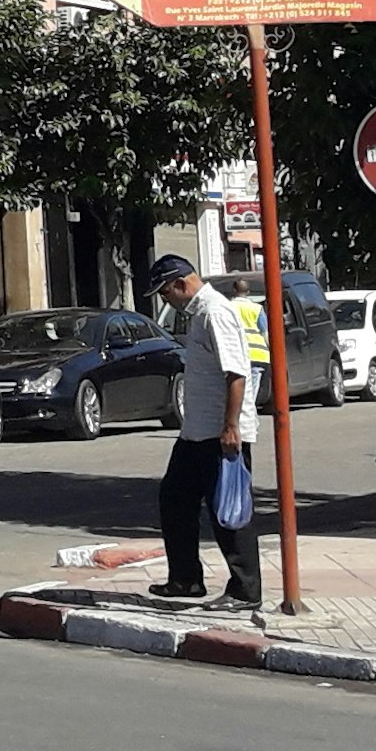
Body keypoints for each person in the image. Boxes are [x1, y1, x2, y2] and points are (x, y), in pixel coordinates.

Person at [144, 253, 262, 611]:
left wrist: (231, 427)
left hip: (220, 434)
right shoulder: (197, 315)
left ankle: (245, 590)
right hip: (195, 433)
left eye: (166, 293)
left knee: (228, 510)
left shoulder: (215, 312)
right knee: (174, 499)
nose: (167, 301)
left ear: (181, 284)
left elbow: (237, 374)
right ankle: (185, 579)